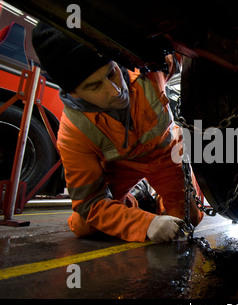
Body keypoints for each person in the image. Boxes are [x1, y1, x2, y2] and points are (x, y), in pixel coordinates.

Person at [31, 23, 204, 243]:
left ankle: (159, 201)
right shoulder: (73, 132)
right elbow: (89, 203)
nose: (115, 91)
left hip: (165, 155)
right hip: (123, 167)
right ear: (74, 92)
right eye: (95, 86)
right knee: (84, 225)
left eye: (111, 73)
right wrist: (145, 224)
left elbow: (188, 55)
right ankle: (135, 200)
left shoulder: (149, 68)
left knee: (189, 217)